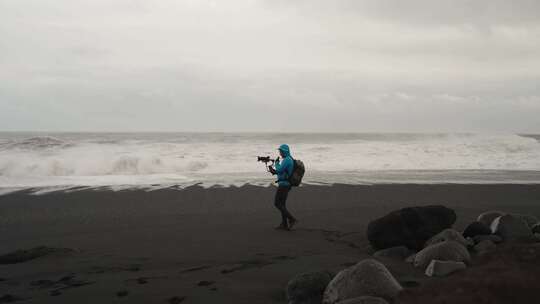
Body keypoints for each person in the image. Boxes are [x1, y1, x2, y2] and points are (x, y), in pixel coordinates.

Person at [270, 144, 298, 230]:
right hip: (285, 184)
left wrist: (276, 163)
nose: (280, 152)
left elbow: (279, 170)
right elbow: (282, 171)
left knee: (277, 203)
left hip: (284, 185)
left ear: (284, 151)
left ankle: (292, 219)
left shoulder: (287, 160)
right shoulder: (289, 159)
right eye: (279, 151)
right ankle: (284, 224)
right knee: (282, 205)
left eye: (281, 151)